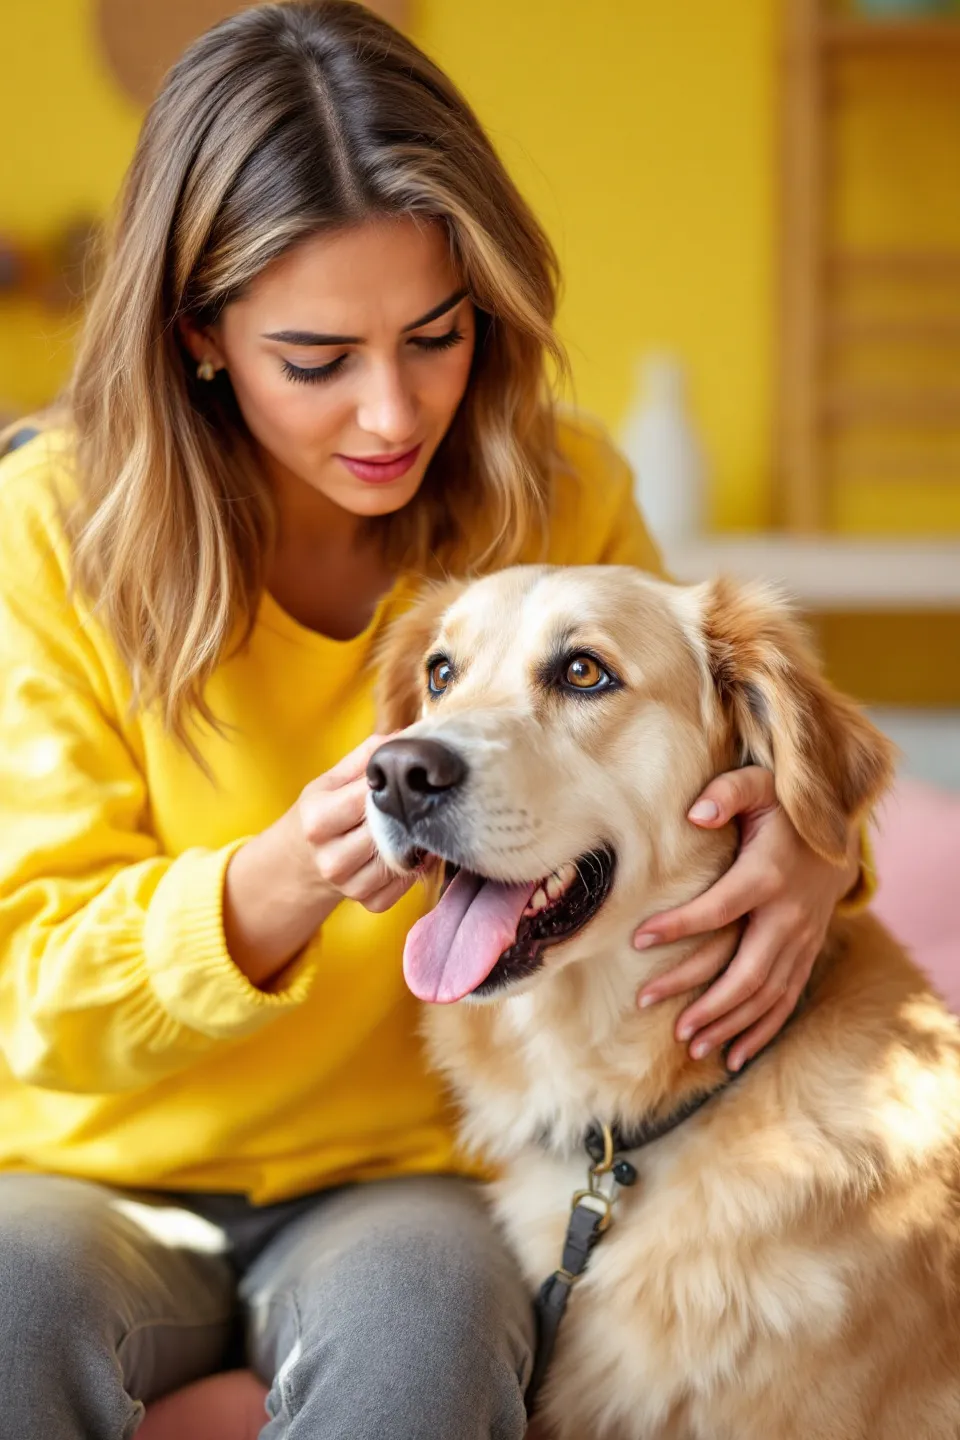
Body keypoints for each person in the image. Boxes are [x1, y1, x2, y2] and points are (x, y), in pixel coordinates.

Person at [0, 4, 869, 1437]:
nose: (392, 413)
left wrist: (818, 854)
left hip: (410, 1167)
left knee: (428, 1331)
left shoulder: (562, 496)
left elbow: (700, 777)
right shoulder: (46, 528)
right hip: (77, 1169)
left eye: (436, 335)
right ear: (200, 335)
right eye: (317, 359)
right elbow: (26, 985)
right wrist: (277, 879)